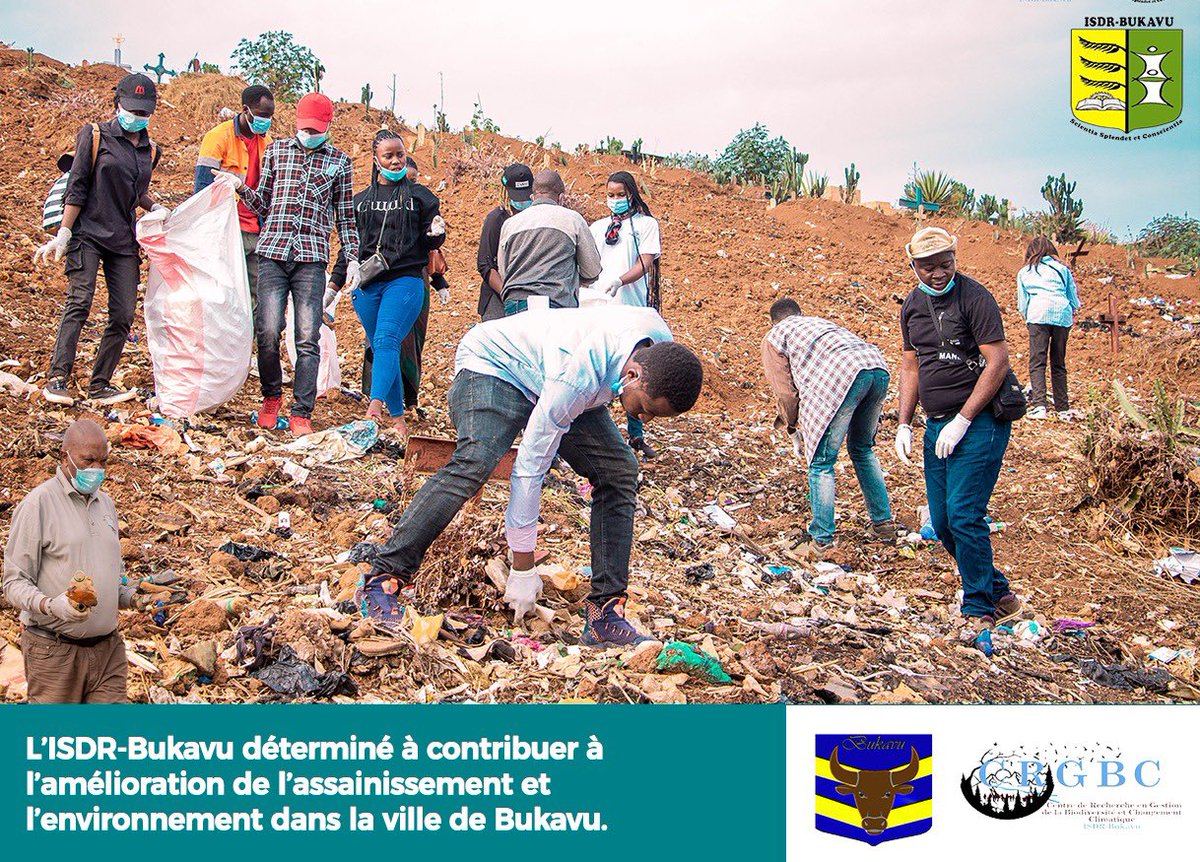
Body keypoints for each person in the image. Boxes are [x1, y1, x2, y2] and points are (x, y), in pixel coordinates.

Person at [359, 306, 704, 647]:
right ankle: (383, 579)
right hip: (495, 365)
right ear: (631, 376)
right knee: (476, 460)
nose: (644, 419)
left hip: (552, 375)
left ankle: (605, 616)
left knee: (618, 471)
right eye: (644, 408)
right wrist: (523, 568)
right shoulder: (576, 376)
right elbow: (529, 468)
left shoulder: (660, 351)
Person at [894, 227, 1025, 642]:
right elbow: (911, 366)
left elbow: (998, 362)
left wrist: (965, 418)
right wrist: (903, 422)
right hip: (936, 425)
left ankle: (978, 608)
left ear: (955, 259)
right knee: (944, 521)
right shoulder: (912, 306)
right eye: (928, 267)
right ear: (913, 266)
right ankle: (1000, 592)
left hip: (981, 421)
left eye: (945, 264)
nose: (937, 274)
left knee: (965, 513)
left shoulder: (975, 298)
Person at [212, 92, 360, 437]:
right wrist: (239, 187)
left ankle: (301, 411)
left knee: (307, 335)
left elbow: (345, 217)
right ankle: (271, 397)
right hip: (273, 254)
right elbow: (264, 203)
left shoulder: (340, 162)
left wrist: (351, 257)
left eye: (316, 128)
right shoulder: (277, 151)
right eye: (305, 127)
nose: (310, 133)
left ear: (327, 125)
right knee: (266, 329)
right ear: (296, 123)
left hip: (311, 258)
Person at [35, 73, 168, 407]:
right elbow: (78, 184)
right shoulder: (95, 135)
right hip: (88, 233)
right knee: (79, 302)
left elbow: (138, 192)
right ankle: (57, 378)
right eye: (132, 110)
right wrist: (64, 233)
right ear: (117, 104)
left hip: (123, 240)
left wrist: (158, 207)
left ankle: (100, 383)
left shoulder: (151, 149)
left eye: (144, 112)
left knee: (123, 313)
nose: (138, 117)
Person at [3, 420, 151, 703]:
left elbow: (112, 576)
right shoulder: (39, 504)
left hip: (107, 651)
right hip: (55, 653)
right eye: (88, 460)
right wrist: (52, 605)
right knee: (57, 741)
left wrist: (135, 597)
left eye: (103, 461)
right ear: (65, 456)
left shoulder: (105, 504)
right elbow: (13, 582)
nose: (96, 469)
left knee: (108, 741)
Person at [327, 131, 445, 438]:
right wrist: (334, 285)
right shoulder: (360, 202)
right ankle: (398, 418)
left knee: (388, 338)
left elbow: (432, 240)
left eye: (400, 155)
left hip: (405, 280)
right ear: (375, 160)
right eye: (388, 155)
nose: (395, 161)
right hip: (367, 286)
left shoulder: (421, 198)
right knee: (382, 346)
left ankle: (373, 409)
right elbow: (349, 249)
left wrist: (436, 234)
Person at [761, 297, 894, 549]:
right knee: (862, 449)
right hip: (876, 367)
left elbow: (785, 393)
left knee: (821, 462)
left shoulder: (775, 335)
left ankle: (821, 539)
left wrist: (791, 428)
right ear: (800, 313)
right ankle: (883, 524)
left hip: (841, 375)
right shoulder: (818, 324)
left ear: (773, 322)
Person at [585, 171, 663, 457]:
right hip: (599, 306)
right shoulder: (598, 227)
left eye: (620, 194)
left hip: (631, 307)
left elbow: (645, 263)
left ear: (632, 194)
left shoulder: (645, 225)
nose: (615, 200)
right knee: (600, 368)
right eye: (610, 195)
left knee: (632, 370)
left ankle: (636, 434)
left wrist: (619, 280)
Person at [194, 84, 275, 314]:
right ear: (245, 110)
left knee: (260, 296)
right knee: (228, 295)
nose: (266, 121)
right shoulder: (218, 138)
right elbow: (202, 190)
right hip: (228, 229)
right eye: (261, 115)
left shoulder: (266, 144)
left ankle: (252, 346)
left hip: (256, 230)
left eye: (270, 116)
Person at [497, 170, 600, 314]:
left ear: (532, 197)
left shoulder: (510, 224)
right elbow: (592, 270)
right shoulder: (572, 219)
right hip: (555, 304)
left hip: (514, 305)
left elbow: (503, 271)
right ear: (561, 198)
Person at [1016, 236, 1080, 419]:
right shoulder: (1062, 269)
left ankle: (1039, 406)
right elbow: (1072, 296)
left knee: (1037, 361)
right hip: (1062, 315)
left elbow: (1023, 302)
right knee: (1058, 363)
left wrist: (1028, 317)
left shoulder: (1025, 272)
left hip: (1038, 315)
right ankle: (1062, 408)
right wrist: (1071, 311)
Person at [476, 163, 534, 322]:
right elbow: (485, 264)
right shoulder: (497, 219)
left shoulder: (536, 219)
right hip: (498, 296)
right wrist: (508, 295)